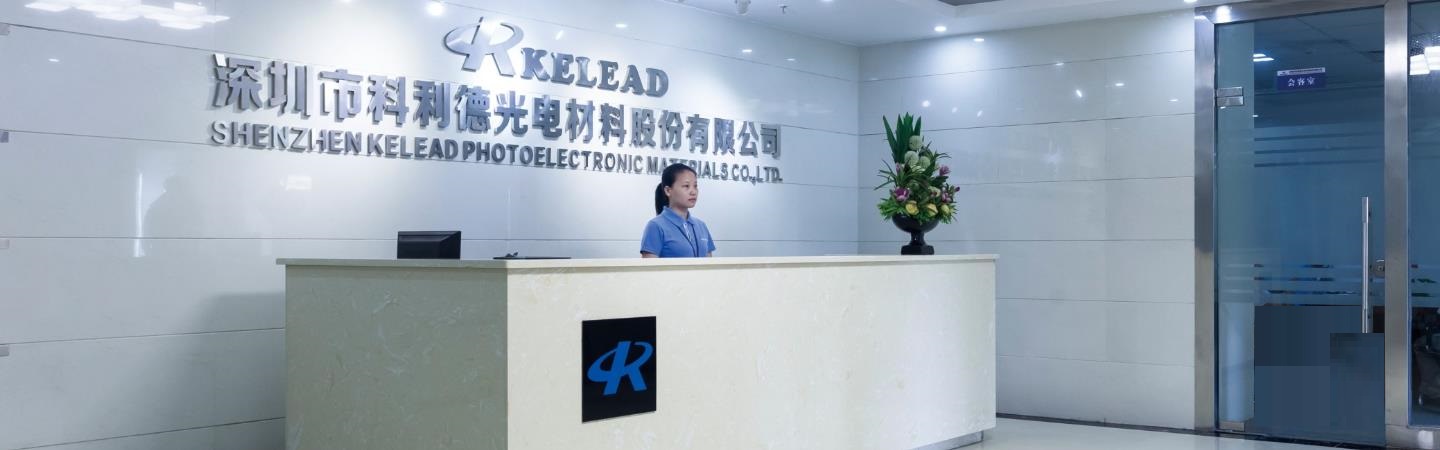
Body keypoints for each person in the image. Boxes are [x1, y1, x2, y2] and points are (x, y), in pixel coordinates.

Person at [640, 163, 715, 258]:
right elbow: (649, 266)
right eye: (686, 186)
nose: (693, 192)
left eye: (695, 186)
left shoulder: (701, 226)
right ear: (668, 191)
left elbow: (710, 264)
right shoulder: (656, 226)